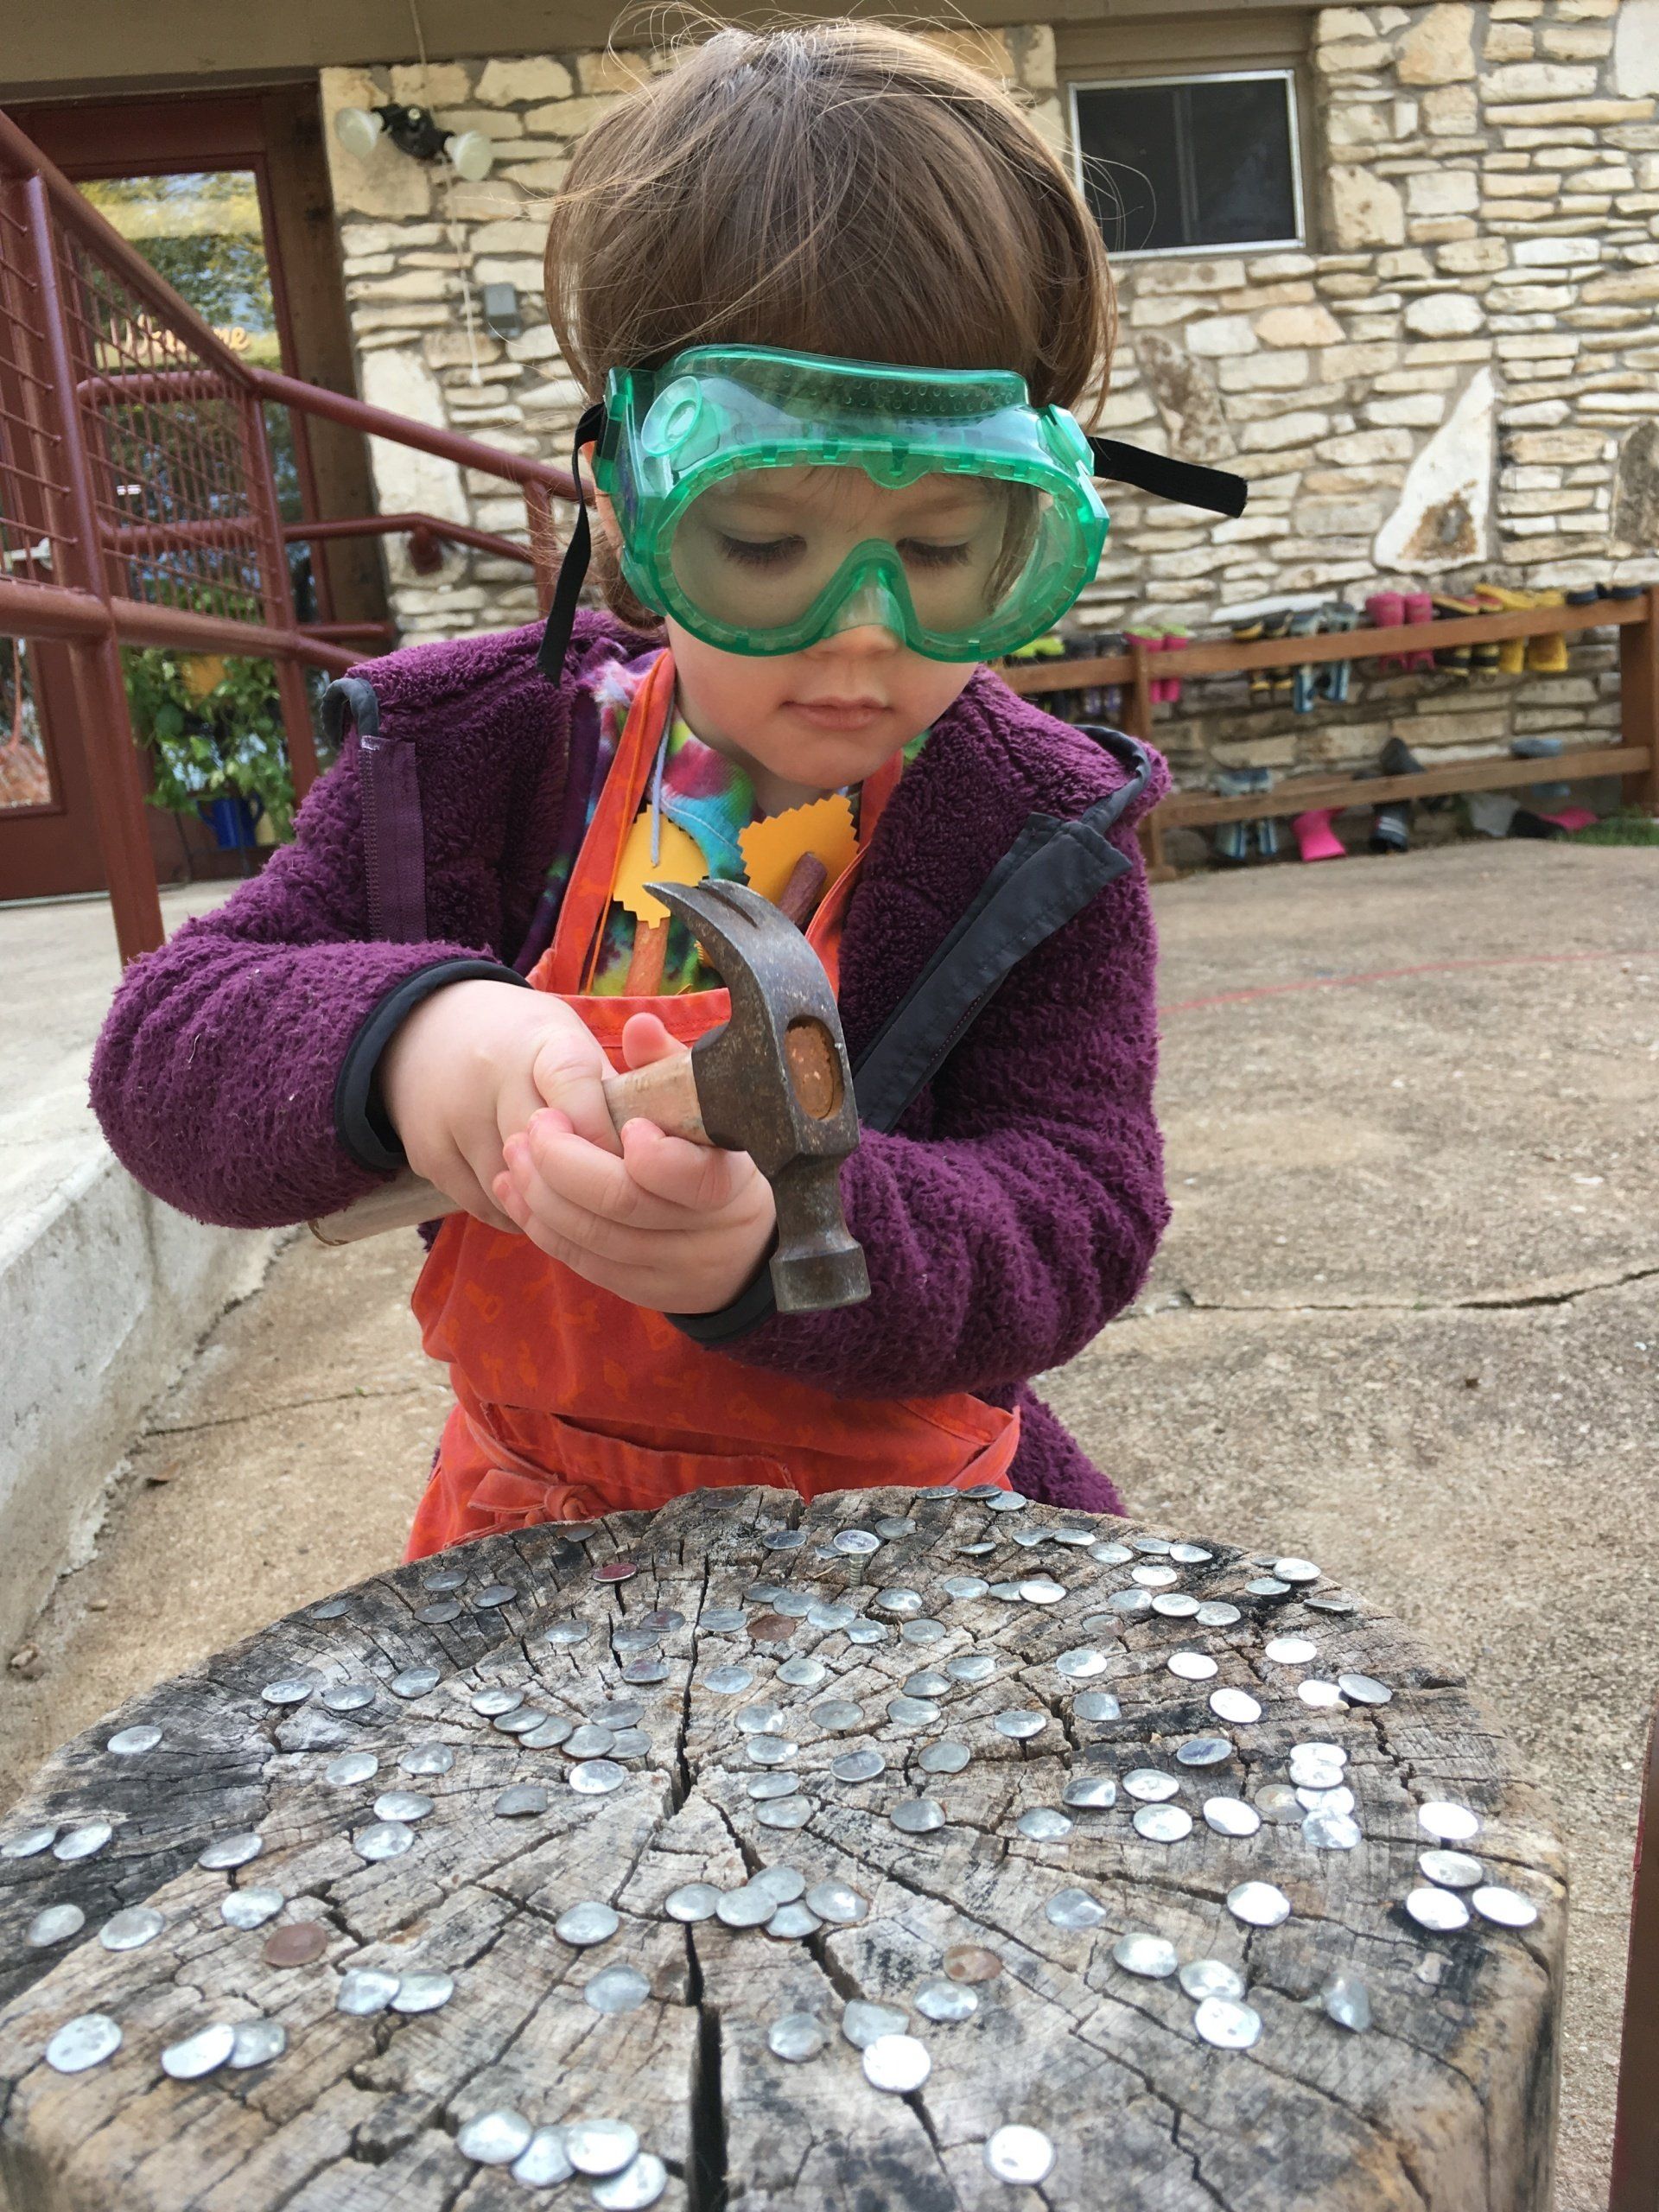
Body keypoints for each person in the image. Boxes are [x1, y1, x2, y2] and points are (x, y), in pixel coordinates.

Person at [92, 21, 1243, 1554]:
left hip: (906, 1542)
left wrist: (790, 1237)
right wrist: (413, 1044)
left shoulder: (1036, 832)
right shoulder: (476, 757)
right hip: (532, 1533)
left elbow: (1077, 1216)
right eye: (762, 544)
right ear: (628, 499)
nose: (861, 632)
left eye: (944, 551)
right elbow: (162, 1051)